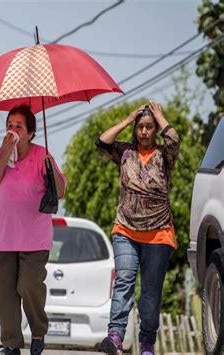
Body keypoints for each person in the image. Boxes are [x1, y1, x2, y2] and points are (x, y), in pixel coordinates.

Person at [0, 104, 66, 355]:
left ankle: (38, 331)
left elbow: (59, 191)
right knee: (5, 294)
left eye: (18, 126)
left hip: (34, 239)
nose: (12, 130)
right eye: (9, 125)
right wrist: (5, 154)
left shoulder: (41, 155)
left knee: (29, 285)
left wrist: (52, 168)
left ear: (30, 133)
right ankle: (12, 344)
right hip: (3, 237)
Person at [95, 101, 180, 355]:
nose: (144, 131)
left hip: (159, 233)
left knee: (151, 295)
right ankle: (115, 337)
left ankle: (146, 343)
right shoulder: (125, 153)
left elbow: (174, 140)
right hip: (126, 231)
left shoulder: (165, 156)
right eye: (140, 127)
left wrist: (160, 116)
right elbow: (102, 142)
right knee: (123, 282)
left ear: (155, 130)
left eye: (149, 127)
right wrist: (127, 118)